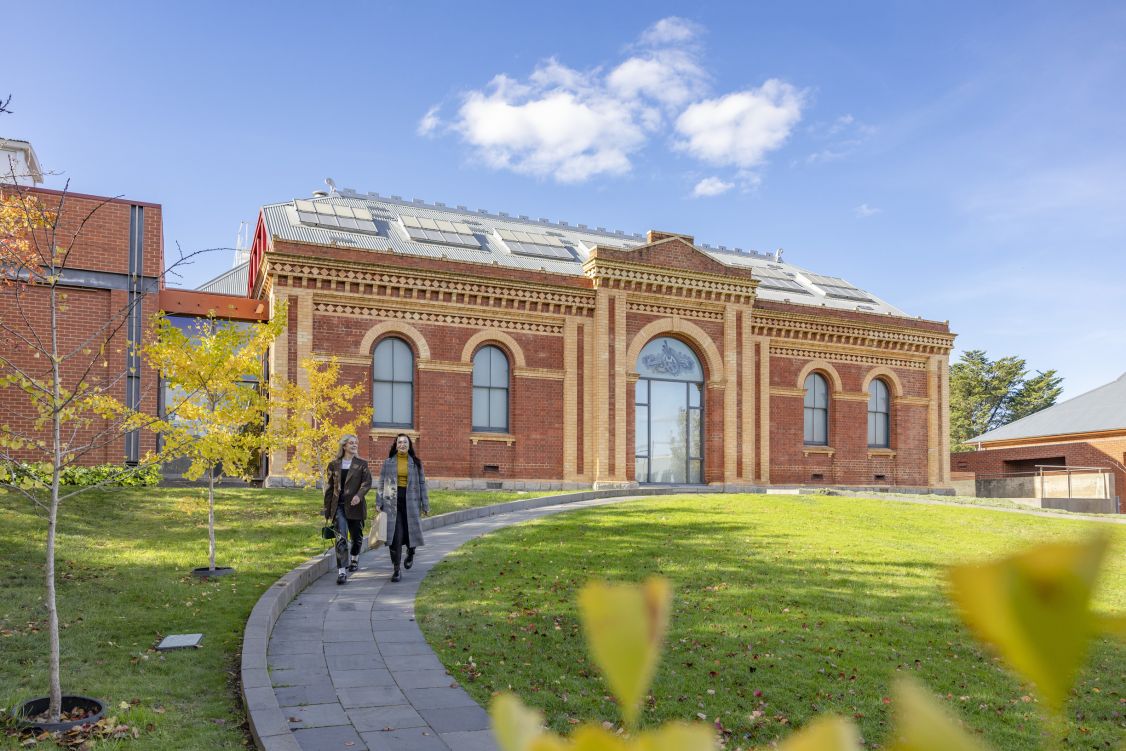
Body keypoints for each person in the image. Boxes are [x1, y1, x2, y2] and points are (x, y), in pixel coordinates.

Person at [378, 434, 429, 582]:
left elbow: (422, 484)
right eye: (399, 442)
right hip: (392, 503)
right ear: (396, 445)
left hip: (411, 502)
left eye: (405, 442)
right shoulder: (388, 462)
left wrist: (425, 504)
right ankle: (396, 569)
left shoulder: (416, 463)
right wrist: (379, 501)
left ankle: (411, 552)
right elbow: (381, 482)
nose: (402, 444)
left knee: (410, 532)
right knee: (395, 535)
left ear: (409, 445)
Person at [323, 433, 372, 585]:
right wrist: (327, 511)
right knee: (341, 538)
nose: (354, 445)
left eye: (356, 442)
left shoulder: (362, 464)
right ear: (344, 446)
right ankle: (342, 572)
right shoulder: (333, 465)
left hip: (355, 506)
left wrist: (359, 495)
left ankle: (354, 559)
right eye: (351, 443)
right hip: (339, 506)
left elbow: (367, 483)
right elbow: (330, 489)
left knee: (357, 538)